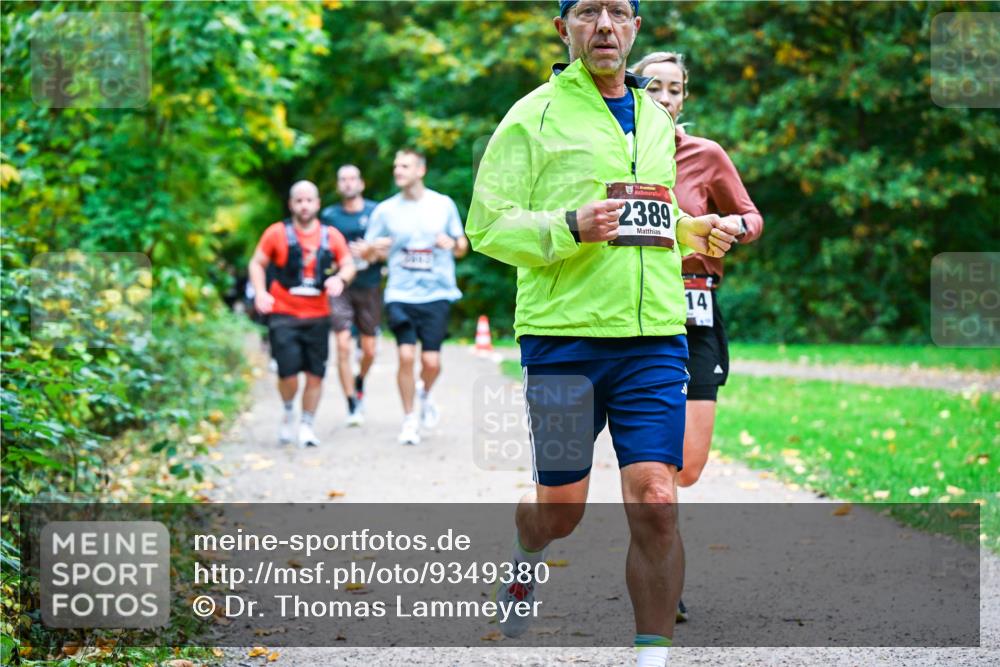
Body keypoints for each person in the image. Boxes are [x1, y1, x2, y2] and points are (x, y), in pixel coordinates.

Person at [466, 2, 738, 664]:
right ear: (565, 28)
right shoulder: (532, 116)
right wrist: (568, 225)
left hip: (654, 338)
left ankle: (652, 656)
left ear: (637, 27)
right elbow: (486, 225)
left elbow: (651, 217)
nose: (606, 25)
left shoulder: (655, 119)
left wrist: (691, 230)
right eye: (589, 11)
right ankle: (527, 550)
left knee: (657, 499)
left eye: (619, 11)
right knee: (560, 511)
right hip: (564, 341)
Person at [633, 51, 765, 621]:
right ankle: (662, 570)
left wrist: (735, 225)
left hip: (698, 309)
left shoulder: (705, 155)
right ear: (633, 91)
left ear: (685, 96)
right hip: (640, 316)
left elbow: (752, 216)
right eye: (653, 87)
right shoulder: (620, 154)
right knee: (656, 473)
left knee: (687, 466)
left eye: (675, 89)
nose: (665, 98)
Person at [362, 149, 468, 446]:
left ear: (420, 170)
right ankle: (409, 420)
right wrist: (373, 250)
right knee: (406, 356)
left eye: (404, 166)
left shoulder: (443, 204)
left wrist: (452, 244)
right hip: (400, 292)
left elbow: (462, 246)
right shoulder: (385, 211)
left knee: (431, 362)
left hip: (437, 292)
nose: (398, 170)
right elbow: (367, 254)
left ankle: (425, 393)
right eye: (396, 166)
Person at [248, 180, 356, 447]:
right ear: (291, 204)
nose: (304, 206)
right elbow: (257, 263)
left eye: (309, 200)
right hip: (283, 313)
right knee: (287, 374)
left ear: (317, 204)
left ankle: (307, 424)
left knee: (315, 374)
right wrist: (260, 292)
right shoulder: (276, 233)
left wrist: (340, 279)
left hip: (318, 315)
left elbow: (348, 264)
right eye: (299, 201)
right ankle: (288, 410)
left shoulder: (331, 235)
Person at [320, 165, 382, 427]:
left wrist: (370, 251)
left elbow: (390, 247)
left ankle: (359, 382)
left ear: (361, 183)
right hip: (341, 288)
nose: (348, 183)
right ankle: (351, 404)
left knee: (369, 350)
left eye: (352, 179)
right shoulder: (329, 216)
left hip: (369, 285)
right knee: (343, 345)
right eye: (343, 179)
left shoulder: (376, 212)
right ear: (338, 185)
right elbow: (321, 250)